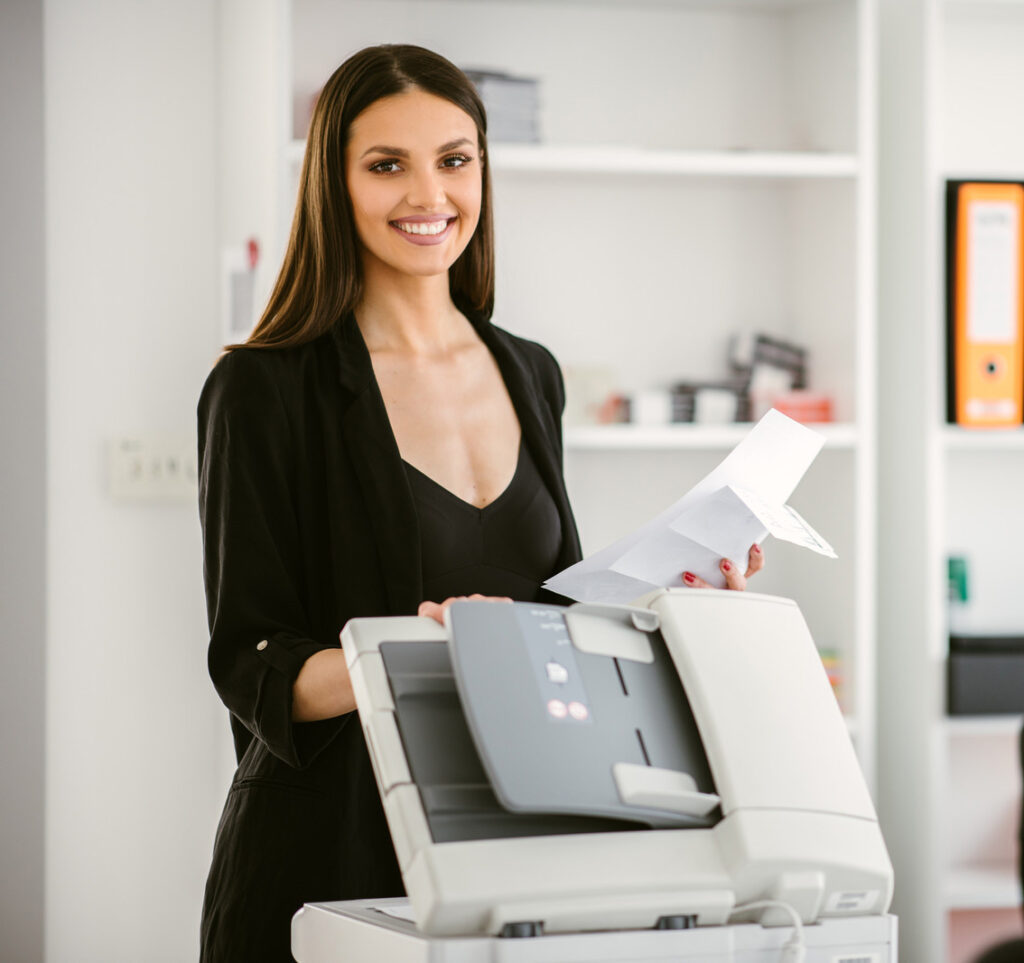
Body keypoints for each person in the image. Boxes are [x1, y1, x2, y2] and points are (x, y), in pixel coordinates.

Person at [196, 43, 764, 962]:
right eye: (388, 165)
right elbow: (249, 664)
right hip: (334, 848)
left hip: (519, 838)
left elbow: (550, 616)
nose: (430, 196)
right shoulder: (264, 390)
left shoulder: (528, 371)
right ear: (333, 184)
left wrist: (677, 600)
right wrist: (417, 651)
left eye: (455, 160)